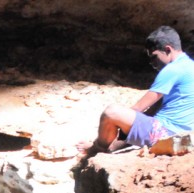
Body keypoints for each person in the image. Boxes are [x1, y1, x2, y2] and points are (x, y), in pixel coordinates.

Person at [77, 26, 194, 156]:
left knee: (111, 113)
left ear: (167, 49)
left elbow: (138, 108)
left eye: (154, 56)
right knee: (146, 115)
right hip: (183, 133)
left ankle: (96, 149)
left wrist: (112, 127)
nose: (151, 63)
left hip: (166, 133)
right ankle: (110, 148)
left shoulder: (172, 70)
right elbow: (149, 113)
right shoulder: (189, 66)